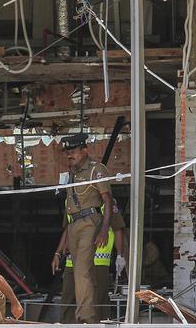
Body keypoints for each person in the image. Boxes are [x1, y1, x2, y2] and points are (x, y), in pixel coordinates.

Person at [59, 133, 114, 323]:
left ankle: (85, 318)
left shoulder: (96, 170)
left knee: (82, 271)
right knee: (82, 273)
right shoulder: (73, 173)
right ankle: (91, 315)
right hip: (74, 225)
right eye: (68, 152)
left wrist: (104, 229)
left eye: (73, 151)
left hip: (90, 222)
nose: (70, 155)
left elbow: (107, 200)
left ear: (84, 150)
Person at [52, 201, 127, 322]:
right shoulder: (69, 200)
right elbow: (67, 229)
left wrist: (120, 255)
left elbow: (117, 228)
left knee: (95, 304)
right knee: (69, 303)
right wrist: (58, 253)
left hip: (98, 262)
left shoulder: (106, 201)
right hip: (72, 263)